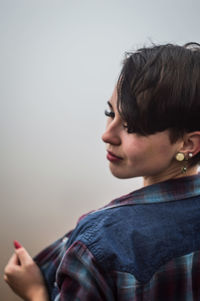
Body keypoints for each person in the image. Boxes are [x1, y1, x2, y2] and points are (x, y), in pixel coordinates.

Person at [4, 42, 200, 301]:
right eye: (111, 113)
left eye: (131, 126)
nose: (107, 134)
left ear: (188, 144)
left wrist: (35, 292)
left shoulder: (103, 242)